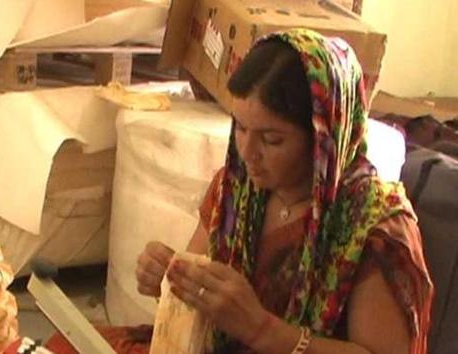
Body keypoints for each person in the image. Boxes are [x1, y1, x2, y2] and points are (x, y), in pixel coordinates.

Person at [46, 28, 433, 354]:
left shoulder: (376, 228)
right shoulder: (238, 190)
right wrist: (169, 281)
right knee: (63, 345)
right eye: (241, 129)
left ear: (324, 141)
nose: (247, 153)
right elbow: (196, 291)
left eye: (272, 139)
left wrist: (262, 329)